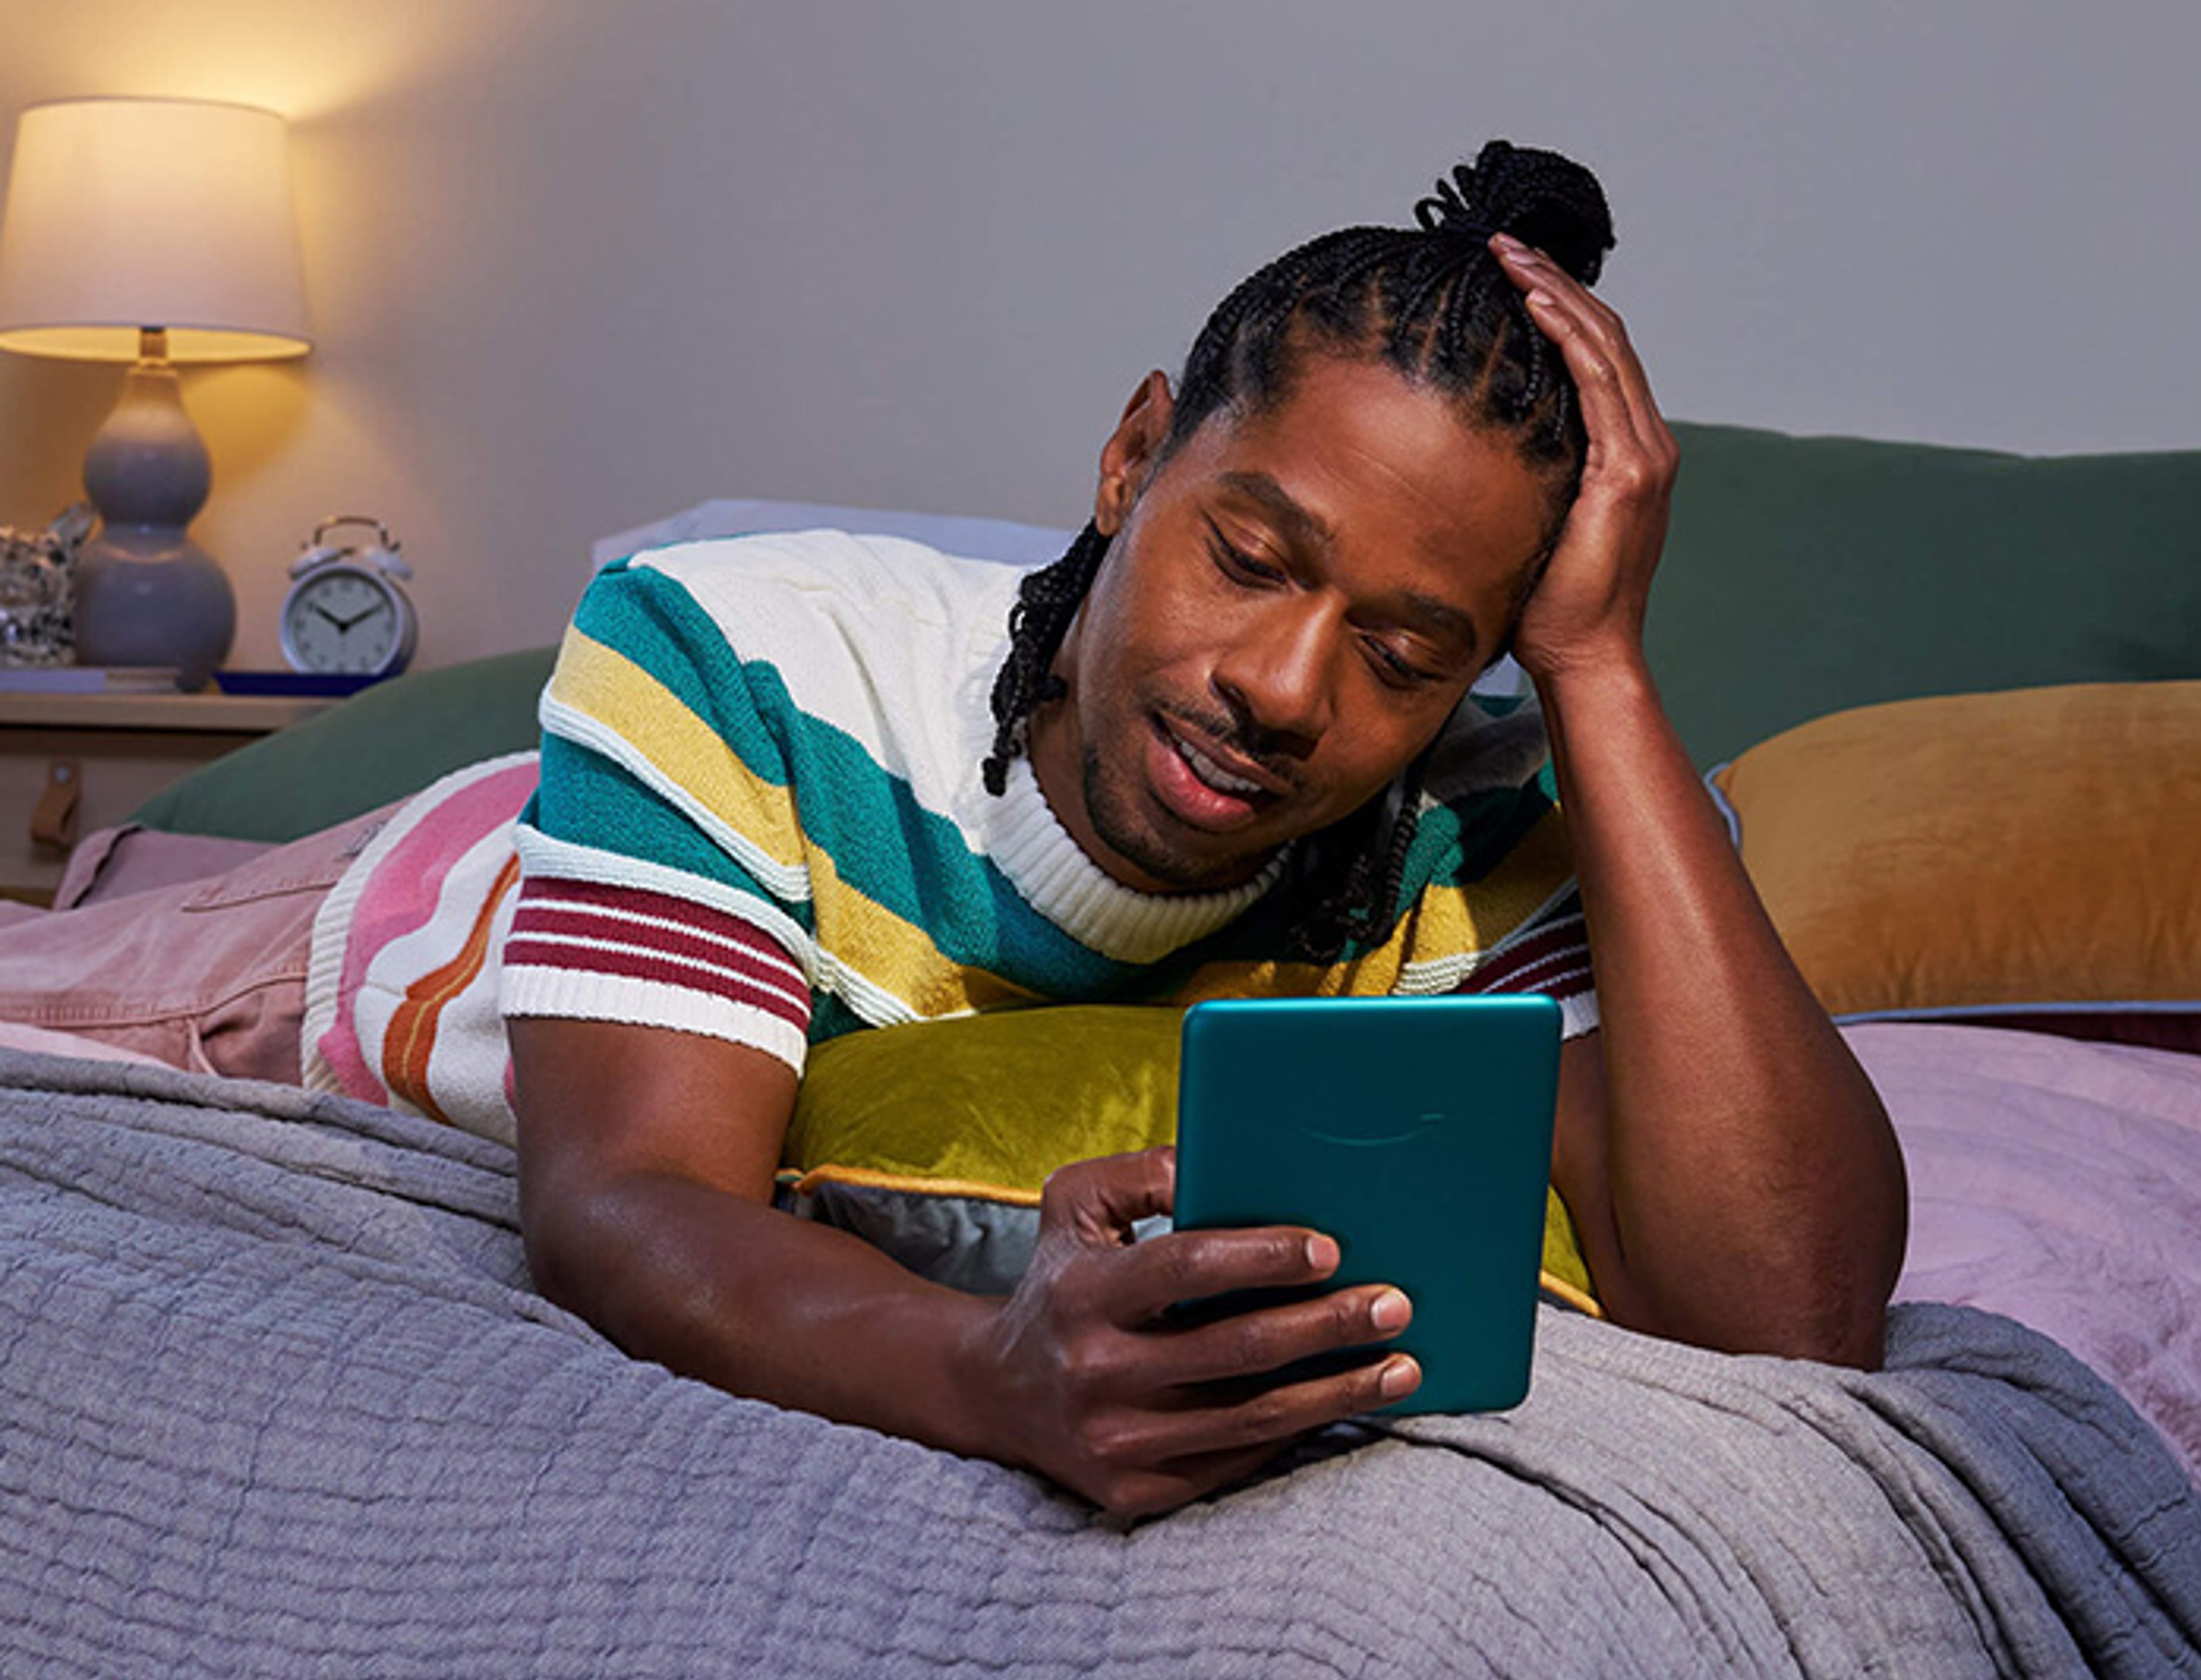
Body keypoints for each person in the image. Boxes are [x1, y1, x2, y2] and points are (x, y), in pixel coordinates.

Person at [0, 142, 1907, 1520]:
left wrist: (1602, 676)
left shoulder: (1488, 812)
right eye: (1250, 557)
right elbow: (620, 1203)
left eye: (1411, 650)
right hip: (381, 939)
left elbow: (1790, 1308)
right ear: (1133, 454)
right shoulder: (744, 644)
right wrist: (991, 1379)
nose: (1287, 687)